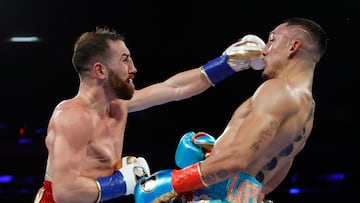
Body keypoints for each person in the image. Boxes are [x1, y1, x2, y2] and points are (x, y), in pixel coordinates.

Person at [33, 26, 266, 203]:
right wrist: (122, 182)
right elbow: (65, 191)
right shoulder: (72, 116)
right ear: (100, 70)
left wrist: (228, 63)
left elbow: (175, 88)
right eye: (125, 60)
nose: (133, 68)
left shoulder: (119, 106)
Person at [134, 17, 328, 203]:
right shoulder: (307, 111)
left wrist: (175, 182)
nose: (265, 50)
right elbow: (271, 180)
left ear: (293, 46)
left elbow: (236, 159)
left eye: (272, 39)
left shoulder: (277, 90)